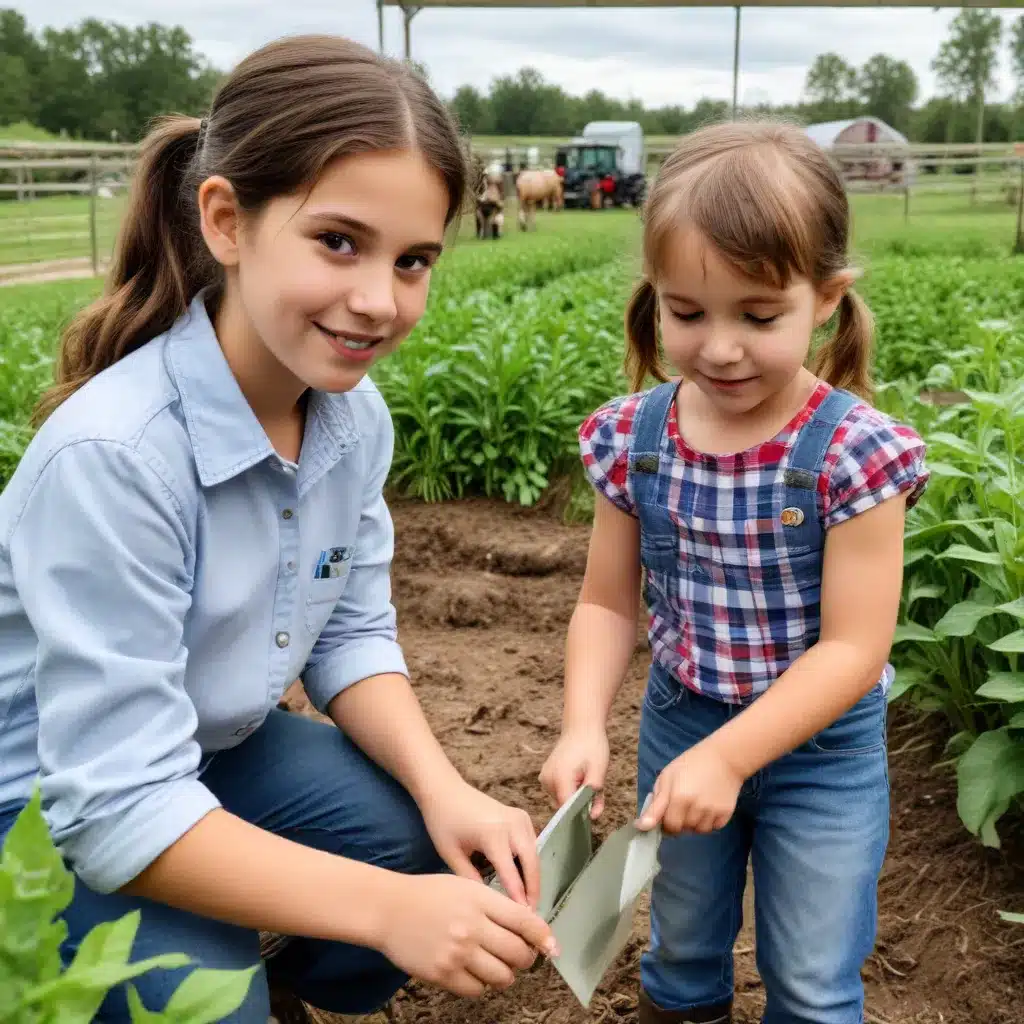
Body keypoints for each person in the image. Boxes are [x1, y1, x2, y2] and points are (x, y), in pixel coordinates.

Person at [0, 34, 558, 1024]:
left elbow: (348, 631)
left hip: (215, 747)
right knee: (210, 1000)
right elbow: (115, 800)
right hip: (49, 803)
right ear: (226, 219)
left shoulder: (352, 416)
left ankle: (287, 984)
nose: (379, 300)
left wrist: (447, 788)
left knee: (433, 842)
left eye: (414, 259)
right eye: (338, 241)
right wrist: (389, 912)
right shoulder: (117, 457)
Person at [540, 120, 929, 1024]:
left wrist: (733, 754)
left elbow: (854, 648)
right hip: (685, 720)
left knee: (813, 975)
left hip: (821, 753)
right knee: (681, 948)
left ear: (824, 298)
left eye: (758, 316)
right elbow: (606, 603)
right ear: (656, 298)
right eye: (687, 312)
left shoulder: (851, 455)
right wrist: (581, 724)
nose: (719, 348)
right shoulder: (634, 439)